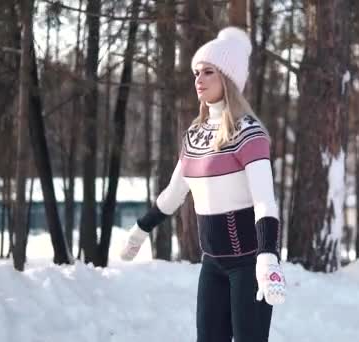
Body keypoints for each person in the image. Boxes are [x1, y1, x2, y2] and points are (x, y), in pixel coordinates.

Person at [119, 26, 286, 342]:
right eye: (197, 72)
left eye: (208, 71)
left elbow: (265, 201)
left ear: (228, 78)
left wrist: (268, 258)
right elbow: (173, 194)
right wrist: (140, 231)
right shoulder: (194, 136)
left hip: (250, 264)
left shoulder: (249, 133)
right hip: (212, 264)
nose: (199, 79)